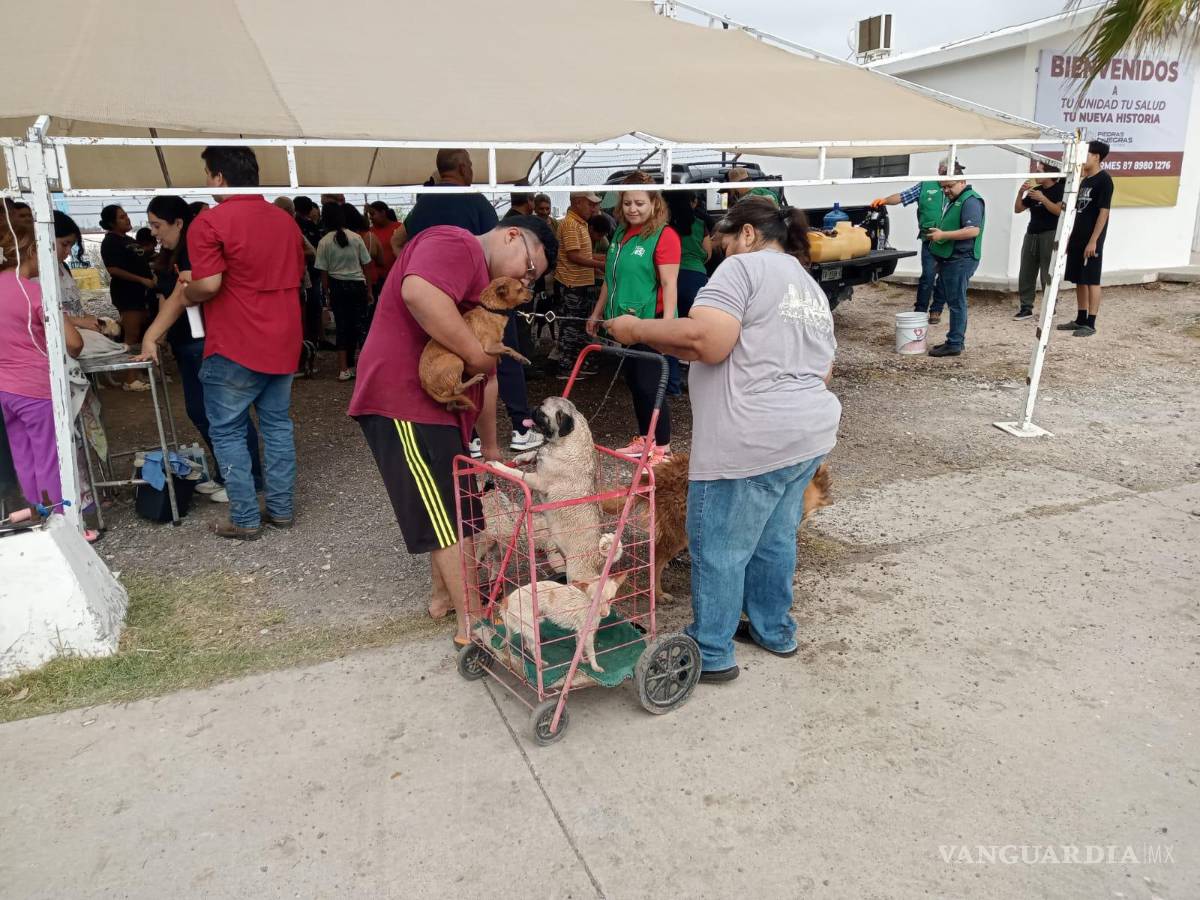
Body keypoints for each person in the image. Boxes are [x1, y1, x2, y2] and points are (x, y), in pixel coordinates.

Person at [604, 200, 839, 682]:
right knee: (774, 538)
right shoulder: (808, 286)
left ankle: (711, 650)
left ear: (747, 234)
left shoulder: (744, 269)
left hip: (751, 440)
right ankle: (774, 629)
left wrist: (636, 329)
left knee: (719, 546)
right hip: (808, 434)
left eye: (725, 244)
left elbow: (704, 342)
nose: (722, 255)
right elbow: (824, 370)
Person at [348, 217, 556, 645]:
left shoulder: (488, 296)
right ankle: (473, 624)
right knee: (445, 516)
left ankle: (443, 597)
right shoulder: (457, 243)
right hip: (404, 402)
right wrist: (475, 356)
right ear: (512, 236)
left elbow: (489, 376)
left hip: (439, 409)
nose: (525, 281)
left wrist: (491, 446)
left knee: (455, 505)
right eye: (530, 269)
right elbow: (418, 293)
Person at [185, 146, 305, 541]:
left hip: (235, 342)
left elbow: (209, 284)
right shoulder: (284, 221)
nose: (207, 181)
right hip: (283, 339)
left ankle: (245, 518)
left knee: (227, 431)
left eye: (207, 174)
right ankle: (281, 510)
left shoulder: (209, 222)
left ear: (219, 176)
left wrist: (186, 291)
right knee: (277, 426)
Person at [137, 195, 264, 505]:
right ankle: (229, 473)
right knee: (204, 411)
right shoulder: (174, 254)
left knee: (223, 413)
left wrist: (153, 335)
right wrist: (158, 336)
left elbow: (190, 295)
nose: (153, 232)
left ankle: (247, 478)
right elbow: (172, 297)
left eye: (157, 225)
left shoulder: (196, 251)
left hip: (206, 341)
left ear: (179, 222)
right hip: (187, 342)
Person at [586, 177, 680, 460]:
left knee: (650, 384)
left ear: (654, 203)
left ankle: (662, 447)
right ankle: (646, 439)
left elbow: (670, 284)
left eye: (639, 203)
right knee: (635, 382)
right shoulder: (620, 234)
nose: (632, 209)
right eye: (627, 203)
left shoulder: (664, 236)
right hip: (623, 322)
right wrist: (597, 312)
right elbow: (610, 279)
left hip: (650, 322)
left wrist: (666, 328)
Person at [0, 219, 86, 513]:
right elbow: (74, 343)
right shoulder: (35, 292)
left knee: (23, 456)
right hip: (35, 387)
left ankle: (36, 515)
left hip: (5, 389)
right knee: (49, 457)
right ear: (32, 250)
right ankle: (61, 519)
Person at [871, 160, 964, 324]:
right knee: (928, 276)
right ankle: (920, 311)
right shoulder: (925, 186)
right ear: (940, 171)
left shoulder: (959, 189)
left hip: (949, 241)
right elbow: (902, 196)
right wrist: (884, 200)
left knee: (944, 277)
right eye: (946, 171)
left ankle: (936, 310)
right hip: (930, 240)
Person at [392, 149, 499, 254]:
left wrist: (409, 264)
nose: (471, 171)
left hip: (424, 265)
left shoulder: (419, 205)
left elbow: (396, 242)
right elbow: (496, 247)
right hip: (464, 265)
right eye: (470, 166)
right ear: (462, 169)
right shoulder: (477, 201)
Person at [1057, 140, 1114, 338]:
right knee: (1079, 278)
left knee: (1091, 279)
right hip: (1078, 236)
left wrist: (1094, 240)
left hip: (1092, 238)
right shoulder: (1085, 180)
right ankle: (1080, 318)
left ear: (1096, 156)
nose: (1083, 158)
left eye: (1086, 154)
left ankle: (1091, 322)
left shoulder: (1104, 180)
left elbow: (1104, 212)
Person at [926, 176, 985, 358]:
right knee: (954, 301)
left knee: (957, 303)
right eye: (943, 187)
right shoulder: (957, 199)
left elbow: (973, 230)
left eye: (949, 186)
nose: (946, 190)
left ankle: (954, 344)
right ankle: (955, 340)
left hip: (962, 259)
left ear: (962, 182)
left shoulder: (971, 201)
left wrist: (943, 235)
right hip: (952, 258)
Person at [315, 202, 373, 381]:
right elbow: (367, 265)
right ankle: (363, 366)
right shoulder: (356, 238)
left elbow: (323, 272)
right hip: (357, 286)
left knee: (342, 327)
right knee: (360, 326)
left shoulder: (324, 242)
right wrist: (369, 290)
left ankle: (343, 369)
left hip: (337, 287)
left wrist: (327, 295)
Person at [665, 190, 713, 395]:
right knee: (695, 335)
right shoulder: (701, 224)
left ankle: (672, 385)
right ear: (691, 202)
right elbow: (708, 254)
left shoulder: (665, 226)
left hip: (670, 278)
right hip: (696, 279)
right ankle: (699, 386)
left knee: (670, 333)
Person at [554, 192, 605, 379]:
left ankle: (575, 364)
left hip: (579, 283)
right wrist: (600, 264)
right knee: (570, 326)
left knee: (577, 324)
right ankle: (565, 367)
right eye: (590, 204)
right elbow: (573, 256)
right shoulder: (570, 224)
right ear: (577, 203)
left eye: (595, 205)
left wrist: (601, 259)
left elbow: (582, 254)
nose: (594, 208)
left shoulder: (580, 223)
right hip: (571, 283)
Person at [99, 204, 156, 346]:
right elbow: (113, 269)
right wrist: (141, 279)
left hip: (142, 293)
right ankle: (128, 360)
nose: (127, 219)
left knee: (143, 332)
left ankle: (141, 362)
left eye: (126, 215)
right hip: (127, 294)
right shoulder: (110, 241)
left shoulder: (129, 240)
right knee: (132, 334)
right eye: (122, 217)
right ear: (112, 223)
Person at [1013, 162, 1064, 320]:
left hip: (1050, 234)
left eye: (1039, 171)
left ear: (1049, 174)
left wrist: (1043, 199)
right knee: (1026, 270)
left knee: (1047, 271)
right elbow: (1018, 209)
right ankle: (1026, 307)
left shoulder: (1060, 189)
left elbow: (1058, 211)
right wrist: (1020, 193)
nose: (1036, 174)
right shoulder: (1035, 190)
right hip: (1032, 234)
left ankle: (1050, 306)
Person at [292, 196, 327, 351]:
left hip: (304, 272)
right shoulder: (305, 225)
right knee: (312, 306)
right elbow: (315, 250)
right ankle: (313, 339)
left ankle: (308, 339)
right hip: (311, 271)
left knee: (306, 307)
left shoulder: (296, 224)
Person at [368, 201, 401, 294]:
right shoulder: (370, 232)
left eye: (373, 214)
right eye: (369, 215)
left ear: (383, 213)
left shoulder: (399, 228)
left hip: (396, 274)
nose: (370, 217)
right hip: (378, 278)